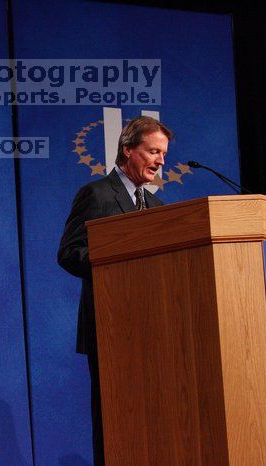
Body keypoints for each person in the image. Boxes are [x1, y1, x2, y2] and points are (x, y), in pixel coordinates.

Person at [57, 116, 173, 465]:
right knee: (115, 418)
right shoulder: (97, 194)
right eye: (153, 151)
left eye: (164, 154)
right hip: (110, 326)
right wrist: (118, 260)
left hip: (152, 329)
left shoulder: (156, 208)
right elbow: (69, 253)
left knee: (152, 420)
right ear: (128, 151)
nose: (161, 161)